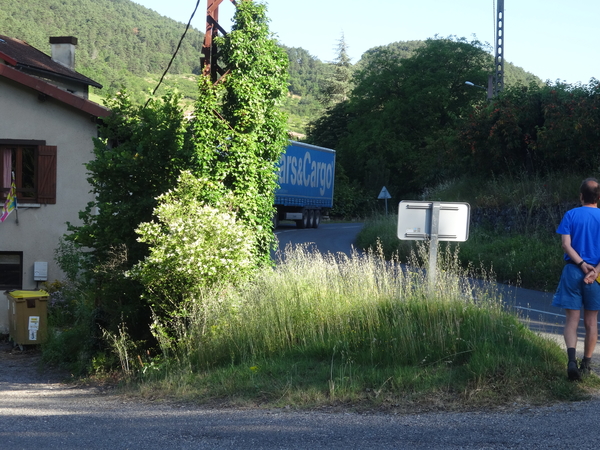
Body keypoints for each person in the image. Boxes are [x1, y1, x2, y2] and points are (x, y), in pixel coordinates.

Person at [552, 177, 600, 381]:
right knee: (591, 321)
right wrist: (595, 270)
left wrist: (581, 264)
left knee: (572, 320)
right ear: (599, 197)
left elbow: (565, 245)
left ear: (581, 196)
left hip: (573, 270)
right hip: (596, 276)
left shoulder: (570, 215)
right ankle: (586, 364)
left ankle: (571, 361)